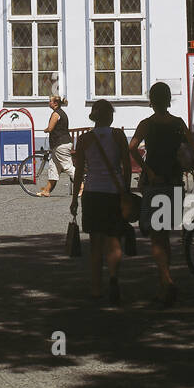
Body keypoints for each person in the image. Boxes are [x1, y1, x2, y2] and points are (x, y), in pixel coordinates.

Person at [129, 83, 187, 308]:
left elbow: (132, 148)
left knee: (156, 235)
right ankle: (165, 281)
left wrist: (147, 169)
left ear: (152, 100)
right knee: (165, 235)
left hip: (154, 183)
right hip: (174, 182)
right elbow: (190, 150)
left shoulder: (146, 124)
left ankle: (166, 281)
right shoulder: (179, 123)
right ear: (169, 99)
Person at [69, 99, 131, 303]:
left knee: (96, 244)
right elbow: (127, 166)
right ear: (111, 116)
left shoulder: (85, 139)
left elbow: (78, 172)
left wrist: (74, 200)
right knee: (114, 239)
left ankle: (96, 288)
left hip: (93, 192)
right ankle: (114, 278)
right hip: (114, 192)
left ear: (94, 117)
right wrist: (126, 191)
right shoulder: (118, 135)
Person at [38, 94, 73, 197]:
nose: (49, 103)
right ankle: (47, 190)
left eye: (50, 101)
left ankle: (81, 186)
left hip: (61, 144)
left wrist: (45, 130)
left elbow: (50, 128)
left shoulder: (56, 114)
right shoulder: (60, 113)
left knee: (68, 167)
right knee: (53, 167)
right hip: (59, 144)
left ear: (55, 103)